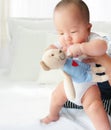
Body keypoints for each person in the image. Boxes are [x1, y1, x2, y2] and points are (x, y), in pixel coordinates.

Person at [41, 0, 111, 130]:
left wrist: (83, 48)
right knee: (56, 95)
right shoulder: (63, 43)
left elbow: (102, 47)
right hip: (70, 83)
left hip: (89, 84)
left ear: (88, 28)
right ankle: (53, 116)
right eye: (61, 33)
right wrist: (48, 53)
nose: (67, 37)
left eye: (73, 32)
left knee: (94, 106)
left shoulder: (92, 39)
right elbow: (52, 47)